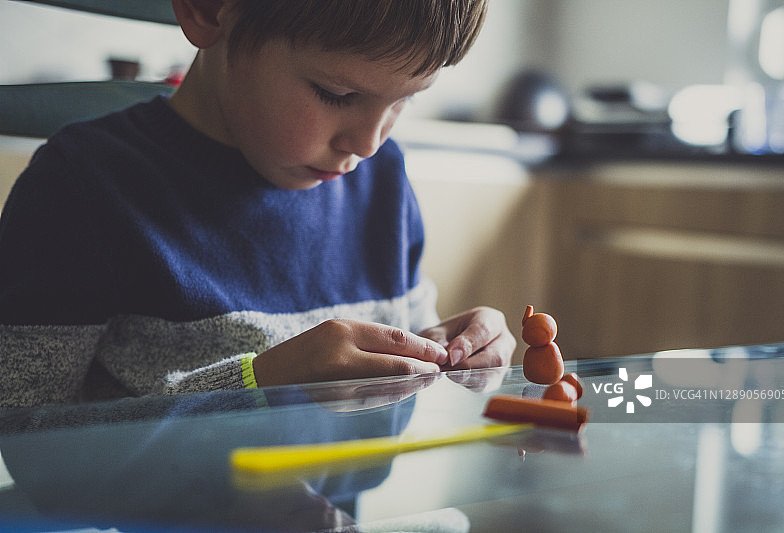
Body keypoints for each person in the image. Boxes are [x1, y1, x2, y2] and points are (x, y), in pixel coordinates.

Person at [0, 0, 516, 408]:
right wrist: (258, 386)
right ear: (207, 10)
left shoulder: (381, 177)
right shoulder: (82, 186)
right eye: (336, 94)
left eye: (407, 98)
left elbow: (400, 363)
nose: (367, 144)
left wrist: (452, 351)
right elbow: (27, 442)